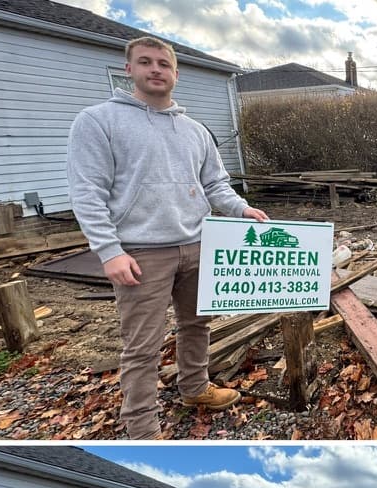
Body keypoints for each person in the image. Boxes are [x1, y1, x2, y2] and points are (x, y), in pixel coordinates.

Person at [67, 36, 269, 439]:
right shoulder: (98, 121)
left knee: (197, 325)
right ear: (129, 70)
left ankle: (194, 388)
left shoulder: (194, 130)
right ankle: (142, 427)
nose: (155, 69)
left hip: (197, 243)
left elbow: (215, 183)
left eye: (164, 63)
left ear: (176, 73)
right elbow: (87, 191)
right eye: (145, 62)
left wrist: (240, 210)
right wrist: (109, 251)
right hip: (141, 252)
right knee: (142, 344)